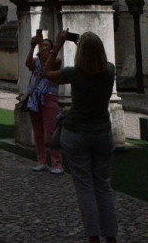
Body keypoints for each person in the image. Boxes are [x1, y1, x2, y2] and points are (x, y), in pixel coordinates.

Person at [40, 30, 118, 243]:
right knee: (103, 185)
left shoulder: (74, 73)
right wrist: (83, 42)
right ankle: (110, 236)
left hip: (76, 132)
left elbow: (45, 72)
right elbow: (95, 59)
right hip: (102, 131)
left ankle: (93, 236)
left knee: (85, 187)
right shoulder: (109, 70)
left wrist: (57, 46)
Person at [25, 32, 63, 173]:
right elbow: (28, 64)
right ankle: (41, 160)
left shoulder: (56, 61)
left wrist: (41, 45)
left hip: (49, 95)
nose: (44, 48)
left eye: (47, 46)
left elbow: (46, 64)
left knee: (51, 131)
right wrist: (32, 47)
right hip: (35, 97)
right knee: (38, 131)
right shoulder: (36, 61)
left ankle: (57, 163)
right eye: (43, 45)